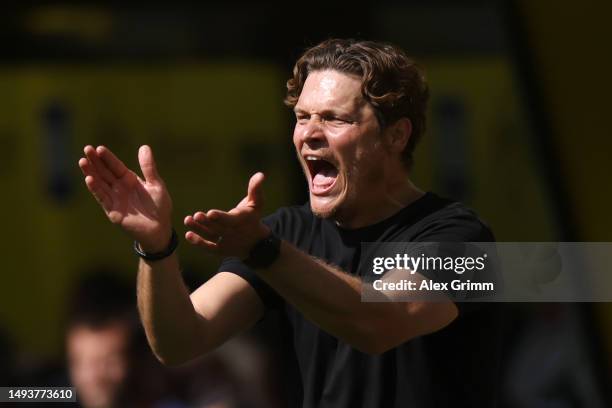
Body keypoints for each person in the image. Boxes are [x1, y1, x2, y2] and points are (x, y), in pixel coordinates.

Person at [78, 38, 502, 407]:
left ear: (396, 135)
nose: (309, 134)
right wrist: (156, 247)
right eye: (302, 117)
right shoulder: (286, 234)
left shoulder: (463, 237)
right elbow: (179, 341)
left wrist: (263, 251)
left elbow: (380, 322)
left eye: (335, 118)